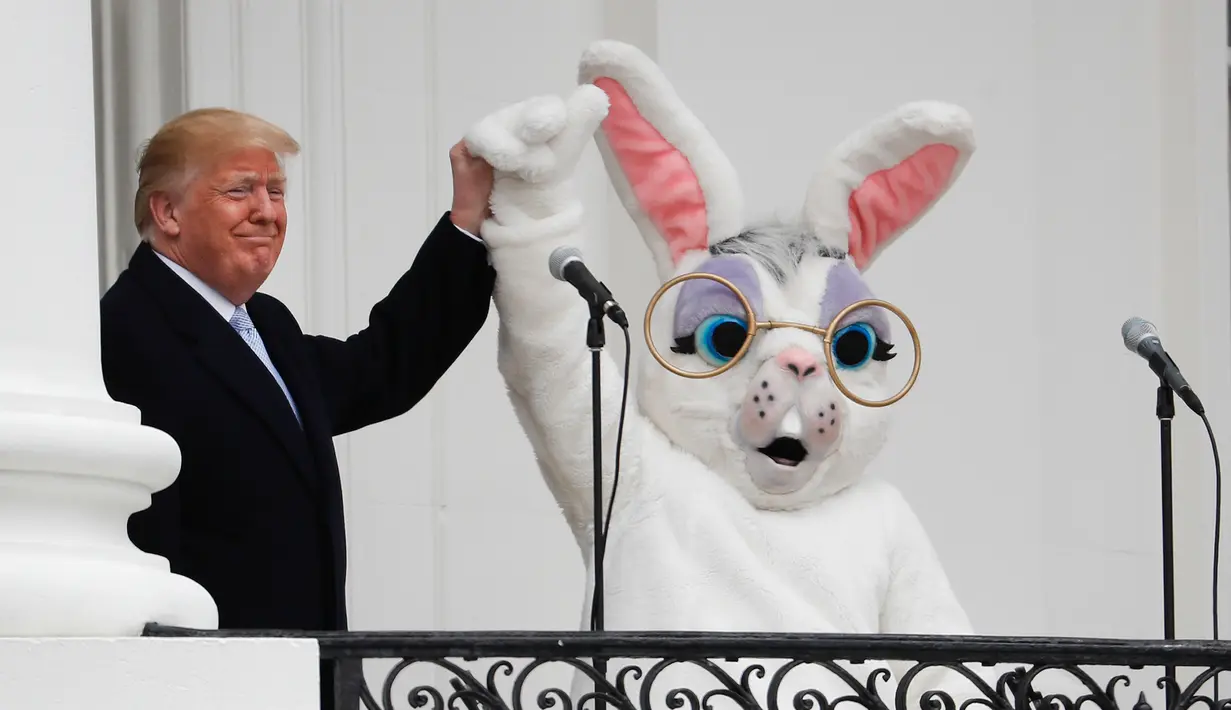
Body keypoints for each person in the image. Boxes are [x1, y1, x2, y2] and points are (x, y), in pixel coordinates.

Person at [99, 107, 496, 704]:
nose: (266, 210)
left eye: (276, 191)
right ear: (168, 212)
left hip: (300, 671)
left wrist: (466, 222)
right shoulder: (127, 332)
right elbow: (140, 540)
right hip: (211, 683)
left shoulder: (265, 324)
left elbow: (381, 369)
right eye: (239, 190)